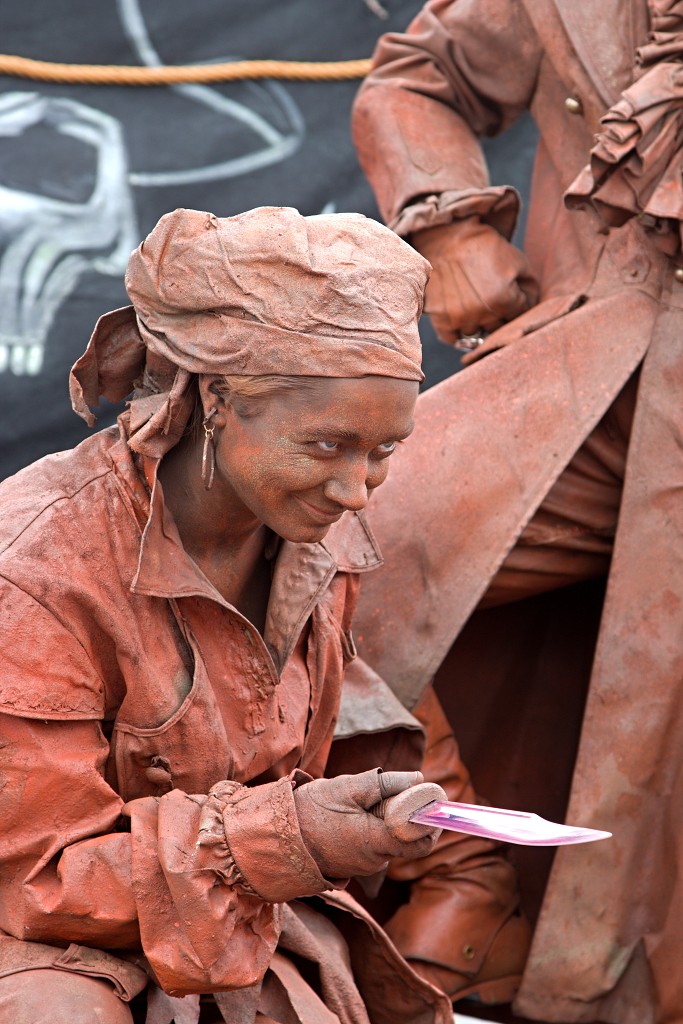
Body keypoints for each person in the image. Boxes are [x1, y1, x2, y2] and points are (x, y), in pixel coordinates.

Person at [0, 204, 526, 1024]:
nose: (356, 491)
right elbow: (36, 879)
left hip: (227, 919)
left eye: (383, 451)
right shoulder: (35, 572)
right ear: (216, 398)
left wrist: (334, 826)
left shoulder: (310, 542)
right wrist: (287, 838)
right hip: (39, 945)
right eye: (325, 446)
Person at [351, 2, 683, 1022]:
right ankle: (468, 874)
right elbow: (415, 76)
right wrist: (447, 226)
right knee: (328, 544)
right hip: (603, 361)